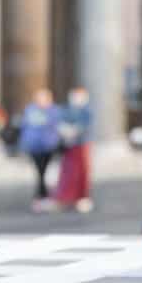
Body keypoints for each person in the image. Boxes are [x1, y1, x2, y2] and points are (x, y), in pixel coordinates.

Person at [16, 89, 63, 210]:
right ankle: (42, 197)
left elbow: (56, 126)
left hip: (49, 145)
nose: (41, 101)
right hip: (34, 146)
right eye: (39, 98)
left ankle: (45, 196)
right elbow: (25, 128)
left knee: (46, 173)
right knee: (40, 172)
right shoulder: (30, 110)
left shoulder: (54, 110)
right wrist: (23, 146)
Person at [51, 86, 94, 214]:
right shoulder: (67, 109)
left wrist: (73, 130)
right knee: (68, 172)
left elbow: (84, 126)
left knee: (82, 171)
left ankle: (82, 197)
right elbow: (59, 122)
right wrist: (64, 130)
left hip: (82, 143)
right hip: (69, 145)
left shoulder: (86, 111)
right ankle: (66, 197)